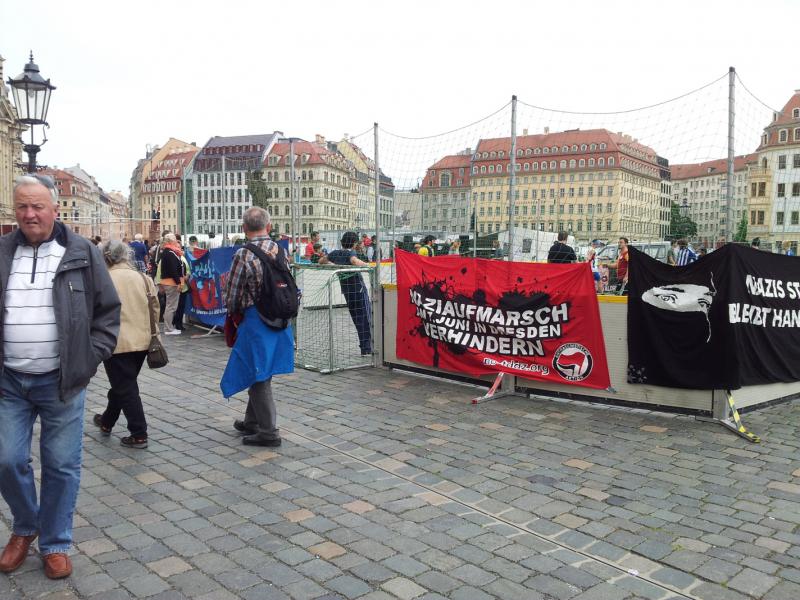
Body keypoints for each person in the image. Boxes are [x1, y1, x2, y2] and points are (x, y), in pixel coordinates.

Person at [0, 175, 120, 579]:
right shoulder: (1, 252)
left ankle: (54, 542)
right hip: (8, 380)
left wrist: (88, 359)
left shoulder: (82, 252)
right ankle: (26, 525)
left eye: (37, 206)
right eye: (22, 207)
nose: (29, 214)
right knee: (6, 459)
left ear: (54, 208)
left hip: (62, 380)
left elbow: (107, 313)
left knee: (61, 465)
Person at [221, 207, 293, 447]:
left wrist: (233, 313)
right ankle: (252, 421)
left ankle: (269, 431)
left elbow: (232, 295)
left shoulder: (243, 254)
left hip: (255, 320)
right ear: (269, 226)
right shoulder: (279, 249)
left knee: (259, 374)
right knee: (264, 369)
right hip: (279, 318)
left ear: (244, 228)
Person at [93, 240, 158, 449]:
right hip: (143, 340)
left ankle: (139, 433)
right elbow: (154, 308)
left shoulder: (103, 279)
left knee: (126, 386)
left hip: (115, 341)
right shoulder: (142, 277)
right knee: (124, 383)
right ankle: (107, 421)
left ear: (106, 257)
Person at [320, 231, 373, 356]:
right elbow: (354, 261)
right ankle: (367, 348)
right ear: (354, 243)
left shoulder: (335, 253)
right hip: (358, 290)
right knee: (365, 319)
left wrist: (332, 264)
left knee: (356, 319)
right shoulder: (350, 253)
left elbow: (321, 260)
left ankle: (365, 347)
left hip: (347, 291)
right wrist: (369, 266)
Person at [158, 233, 186, 335]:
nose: (177, 242)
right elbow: (173, 269)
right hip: (171, 282)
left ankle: (168, 327)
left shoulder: (168, 252)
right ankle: (168, 328)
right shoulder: (170, 253)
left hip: (170, 282)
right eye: (175, 240)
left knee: (170, 306)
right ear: (170, 242)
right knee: (171, 306)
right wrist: (179, 282)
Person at [172, 234, 191, 331]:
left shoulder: (182, 258)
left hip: (184, 286)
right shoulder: (174, 257)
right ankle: (175, 323)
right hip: (177, 285)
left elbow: (187, 269)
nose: (179, 248)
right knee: (176, 306)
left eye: (180, 247)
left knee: (181, 306)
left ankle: (178, 323)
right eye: (177, 247)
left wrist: (187, 275)